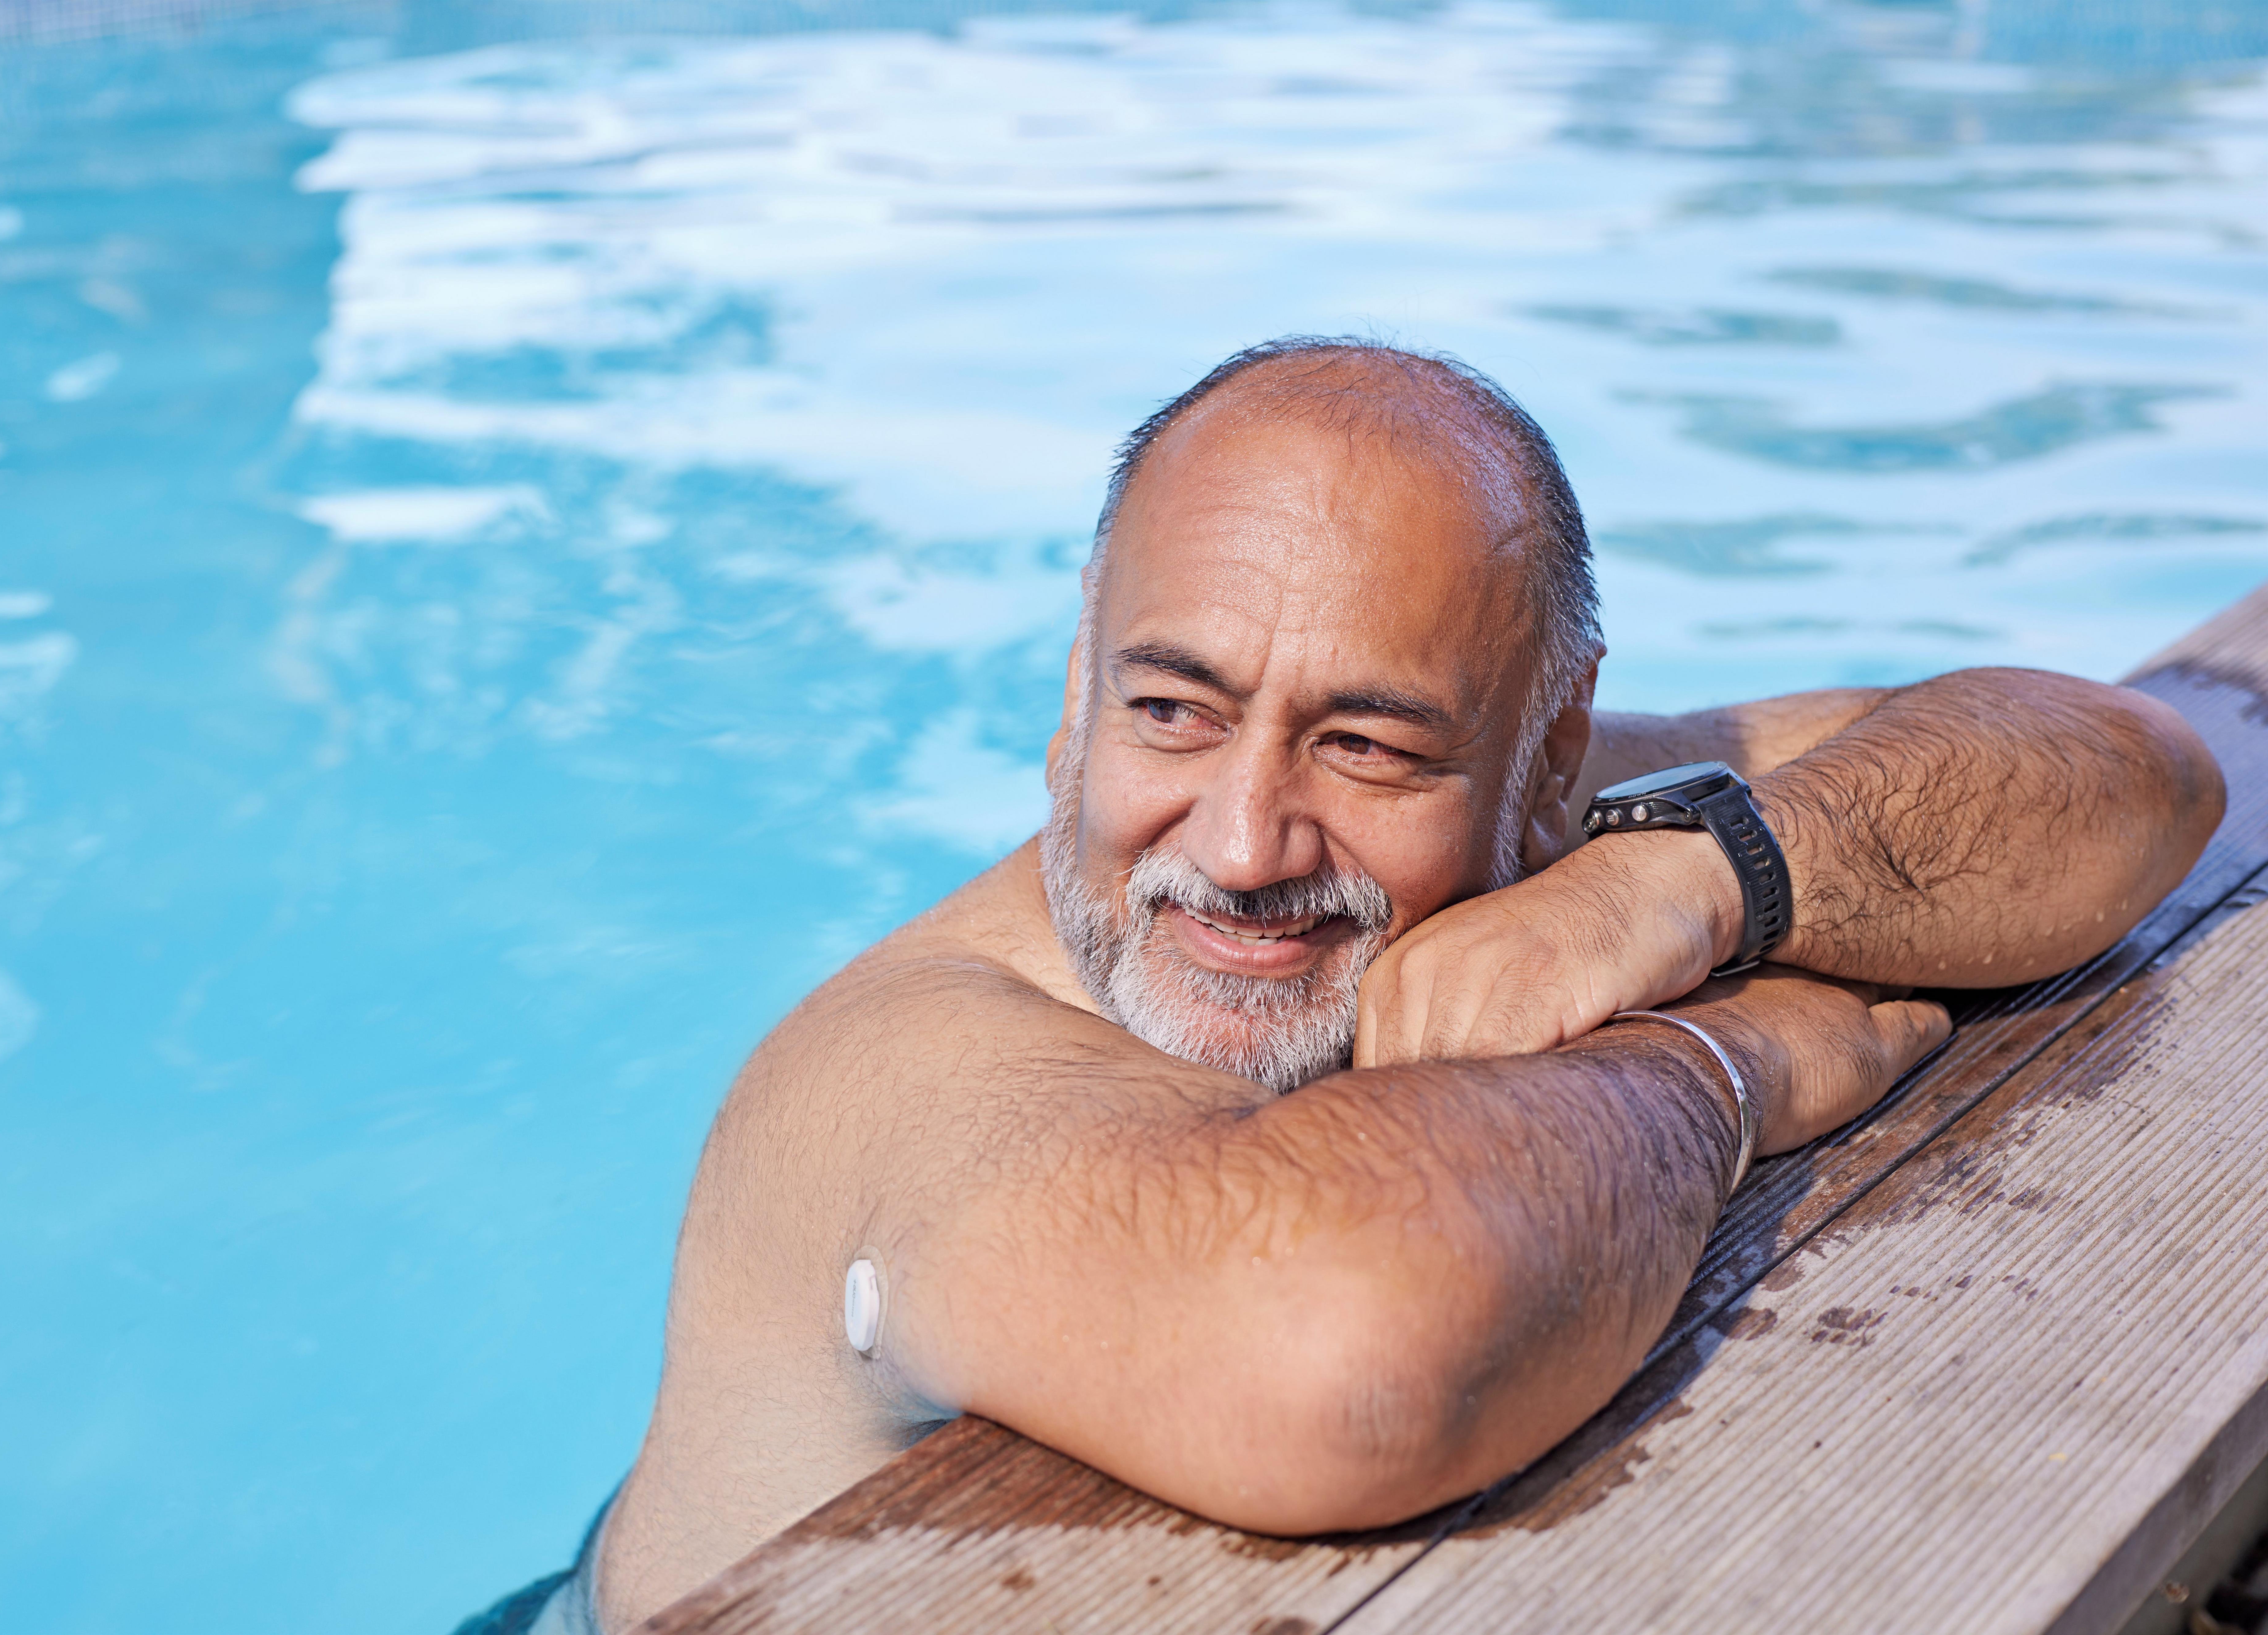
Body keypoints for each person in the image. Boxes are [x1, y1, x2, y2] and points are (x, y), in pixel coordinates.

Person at [510, 338, 2228, 1632]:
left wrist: (1696, 877)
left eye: (1367, 741)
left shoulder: (1562, 813)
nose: (1248, 838)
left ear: (1549, 754)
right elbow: (1349, 1357)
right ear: (1072, 694)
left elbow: (2132, 770)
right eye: (1171, 709)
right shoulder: (910, 1058)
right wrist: (1723, 1058)